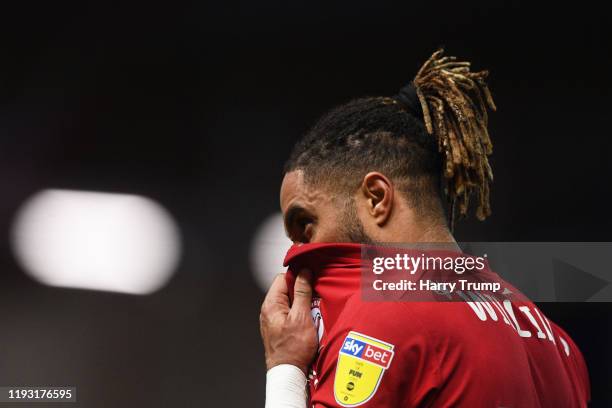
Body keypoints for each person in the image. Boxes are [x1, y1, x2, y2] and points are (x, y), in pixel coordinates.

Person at [260, 50, 590, 407]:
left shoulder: (388, 310)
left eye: (305, 225)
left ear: (376, 198)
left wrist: (286, 366)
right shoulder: (556, 342)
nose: (295, 252)